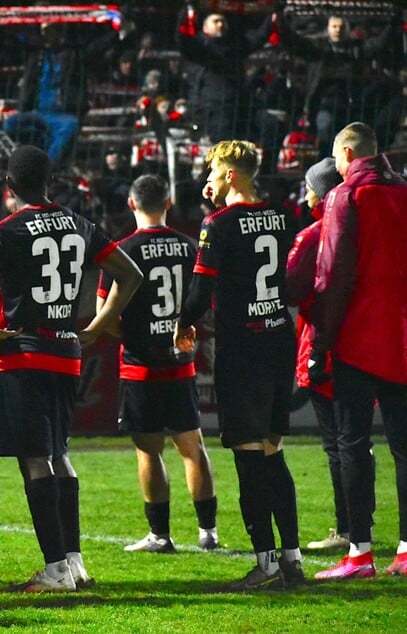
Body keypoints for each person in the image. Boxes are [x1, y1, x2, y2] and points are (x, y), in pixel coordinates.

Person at [0, 145, 142, 592]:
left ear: (10, 186)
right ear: (51, 181)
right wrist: (101, 324)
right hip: (67, 352)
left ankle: (55, 570)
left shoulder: (3, 231)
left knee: (34, 459)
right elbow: (130, 274)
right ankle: (74, 561)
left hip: (24, 352)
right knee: (60, 452)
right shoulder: (81, 224)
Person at [174, 140, 302, 590]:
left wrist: (182, 324)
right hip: (279, 341)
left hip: (243, 349)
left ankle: (265, 565)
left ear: (230, 174)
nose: (206, 178)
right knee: (274, 452)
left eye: (212, 169)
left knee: (249, 460)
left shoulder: (219, 224)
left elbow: (200, 292)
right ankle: (292, 558)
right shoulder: (285, 216)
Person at [96, 174, 218, 555]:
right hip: (180, 365)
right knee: (192, 446)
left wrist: (135, 337)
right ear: (167, 203)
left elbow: (106, 315)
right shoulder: (188, 247)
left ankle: (160, 536)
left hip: (140, 367)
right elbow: (203, 308)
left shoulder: (121, 251)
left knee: (149, 451)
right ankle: (208, 532)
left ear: (132, 205)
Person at [310, 122, 407, 579]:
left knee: (352, 443)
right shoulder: (403, 191)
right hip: (402, 340)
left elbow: (333, 276)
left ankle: (360, 553)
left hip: (357, 340)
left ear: (348, 154)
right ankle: (406, 551)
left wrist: (321, 343)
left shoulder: (345, 198)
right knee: (404, 448)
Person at [284, 157, 350, 552]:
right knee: (357, 441)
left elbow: (291, 287)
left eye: (309, 185)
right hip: (357, 342)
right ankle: (359, 527)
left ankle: (348, 529)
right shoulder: (355, 227)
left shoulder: (313, 235)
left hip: (324, 344)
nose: (304, 191)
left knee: (338, 443)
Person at [277, 14, 401, 157]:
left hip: (350, 105)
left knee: (352, 142)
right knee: (326, 136)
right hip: (324, 105)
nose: (338, 30)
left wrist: (393, 24)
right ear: (328, 29)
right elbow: (293, 41)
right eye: (334, 26)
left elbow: (378, 44)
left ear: (347, 29)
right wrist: (280, 20)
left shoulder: (356, 49)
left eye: (341, 27)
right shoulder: (318, 49)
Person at [3, 22, 115, 169]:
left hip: (61, 115)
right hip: (37, 113)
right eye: (42, 31)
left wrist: (117, 33)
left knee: (70, 126)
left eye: (48, 30)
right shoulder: (38, 57)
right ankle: (42, 148)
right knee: (10, 124)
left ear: (58, 32)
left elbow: (95, 49)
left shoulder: (73, 55)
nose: (44, 35)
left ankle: (47, 168)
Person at [175, 8, 273, 142]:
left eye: (223, 22)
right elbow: (182, 38)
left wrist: (272, 15)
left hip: (238, 107)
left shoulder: (235, 46)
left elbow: (259, 38)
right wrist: (186, 12)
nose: (220, 25)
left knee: (270, 125)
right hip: (212, 108)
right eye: (216, 21)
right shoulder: (197, 46)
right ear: (205, 27)